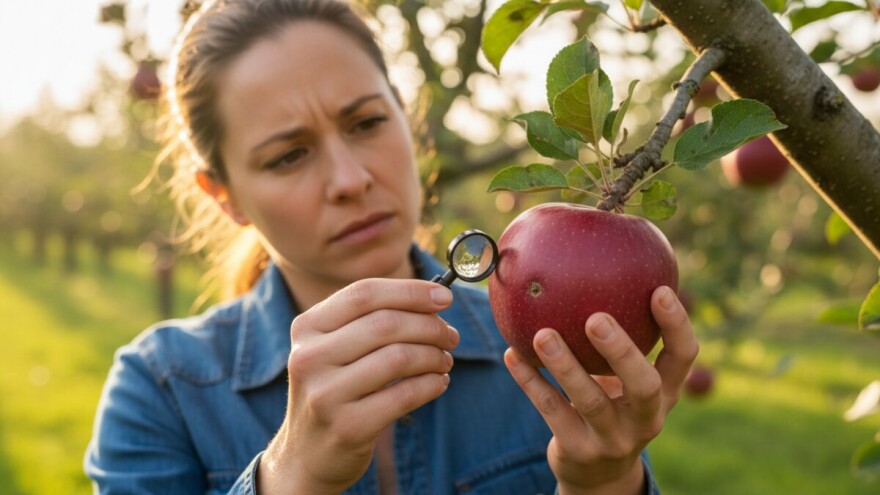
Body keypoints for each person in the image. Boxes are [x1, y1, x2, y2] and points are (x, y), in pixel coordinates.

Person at [84, 0, 699, 493]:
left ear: (408, 119)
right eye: (288, 156)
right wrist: (291, 478)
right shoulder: (162, 390)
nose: (351, 179)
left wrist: (604, 483)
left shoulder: (551, 348)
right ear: (225, 197)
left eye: (367, 123)